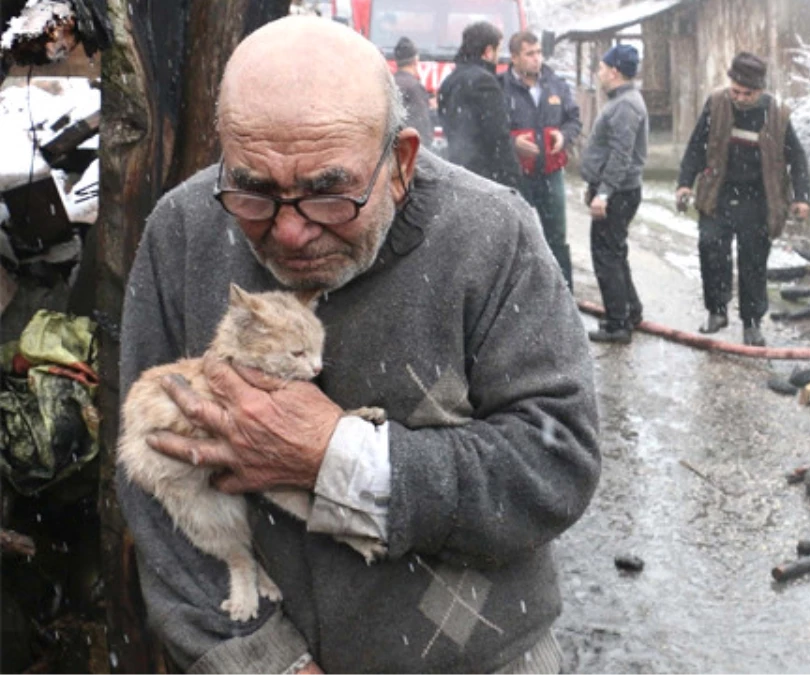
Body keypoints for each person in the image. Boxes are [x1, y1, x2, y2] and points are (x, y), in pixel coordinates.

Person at [117, 16, 599, 675]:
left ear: (400, 162)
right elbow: (149, 486)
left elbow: (555, 464)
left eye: (328, 192)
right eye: (254, 189)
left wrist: (336, 458)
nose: (288, 231)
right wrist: (261, 661)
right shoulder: (184, 231)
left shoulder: (491, 234)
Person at [676, 51, 810, 347]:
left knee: (753, 262)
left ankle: (752, 323)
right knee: (710, 247)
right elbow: (696, 145)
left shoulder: (777, 114)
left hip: (759, 200)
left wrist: (802, 196)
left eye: (747, 93)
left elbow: (797, 158)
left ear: (760, 90)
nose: (739, 97)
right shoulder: (717, 104)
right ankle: (717, 310)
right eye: (735, 90)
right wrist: (685, 183)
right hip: (719, 194)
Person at [501, 31, 581, 290]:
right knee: (518, 238)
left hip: (551, 174)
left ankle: (564, 294)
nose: (537, 59)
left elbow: (574, 120)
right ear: (514, 58)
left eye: (538, 53)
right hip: (518, 176)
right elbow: (491, 131)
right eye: (529, 54)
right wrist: (513, 144)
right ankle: (522, 295)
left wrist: (564, 135)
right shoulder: (501, 87)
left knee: (556, 237)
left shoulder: (555, 84)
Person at [579, 44, 648, 344]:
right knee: (615, 252)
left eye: (603, 68)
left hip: (618, 192)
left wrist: (604, 193)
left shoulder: (625, 106)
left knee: (606, 256)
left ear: (615, 71)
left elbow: (621, 154)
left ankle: (618, 324)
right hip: (617, 190)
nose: (599, 73)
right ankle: (630, 310)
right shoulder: (623, 101)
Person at [437, 21, 520, 187]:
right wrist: (512, 176)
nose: (498, 57)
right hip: (485, 177)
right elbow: (497, 136)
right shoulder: (485, 82)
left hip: (457, 171)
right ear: (488, 52)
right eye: (498, 50)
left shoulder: (449, 81)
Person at [392, 37, 435, 151]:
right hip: (410, 151)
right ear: (415, 61)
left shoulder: (390, 83)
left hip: (392, 148)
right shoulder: (415, 87)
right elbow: (422, 125)